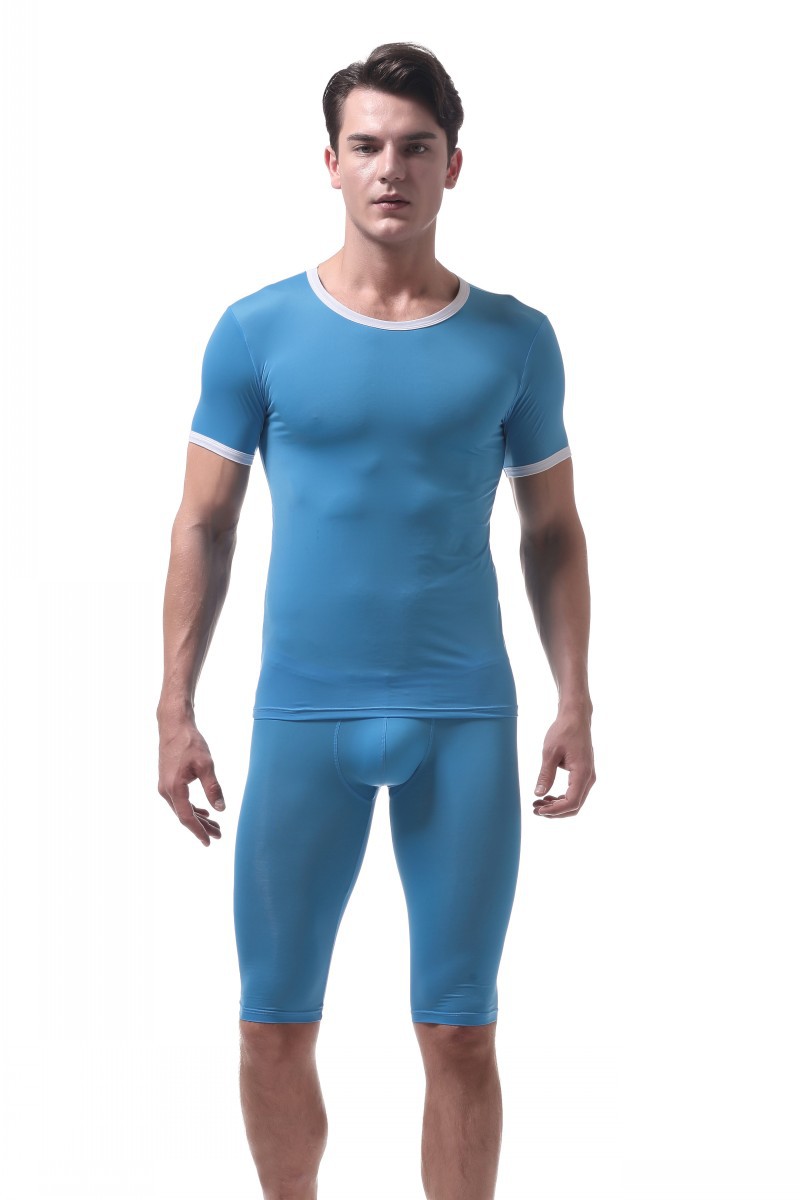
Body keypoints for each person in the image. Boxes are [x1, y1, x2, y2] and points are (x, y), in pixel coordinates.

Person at [157, 40, 595, 1200]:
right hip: (304, 717)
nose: (388, 168)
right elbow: (203, 524)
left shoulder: (515, 339)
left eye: (413, 147)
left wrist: (574, 698)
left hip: (462, 718)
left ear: (453, 164)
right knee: (270, 1026)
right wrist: (173, 708)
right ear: (330, 163)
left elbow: (550, 530)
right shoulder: (256, 331)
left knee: (459, 1030)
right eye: (365, 146)